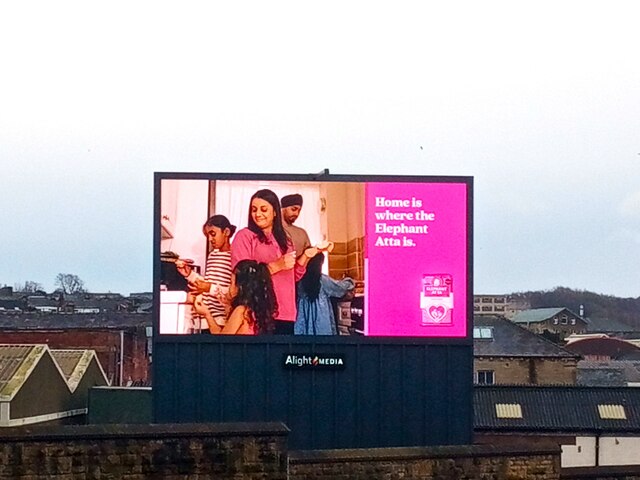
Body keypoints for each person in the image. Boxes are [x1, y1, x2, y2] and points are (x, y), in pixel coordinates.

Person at [231, 189, 317, 334]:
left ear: (275, 212)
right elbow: (243, 275)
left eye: (263, 209)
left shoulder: (285, 241)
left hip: (286, 312)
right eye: (254, 209)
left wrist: (306, 257)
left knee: (280, 355)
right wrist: (276, 266)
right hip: (256, 311)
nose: (258, 214)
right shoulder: (245, 236)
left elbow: (293, 276)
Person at [177, 215, 236, 333]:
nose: (209, 239)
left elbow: (233, 293)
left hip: (220, 320)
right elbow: (207, 283)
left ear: (226, 232)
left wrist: (209, 288)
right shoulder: (213, 255)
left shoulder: (234, 256)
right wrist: (190, 275)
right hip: (203, 318)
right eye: (207, 235)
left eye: (213, 234)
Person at [197, 260, 276, 335]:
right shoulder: (255, 311)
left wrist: (207, 314)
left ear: (240, 287)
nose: (229, 287)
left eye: (231, 283)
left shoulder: (241, 311)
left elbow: (221, 340)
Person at [294, 252, 355, 335]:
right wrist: (350, 281)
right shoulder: (322, 280)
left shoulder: (299, 280)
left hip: (302, 319)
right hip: (321, 318)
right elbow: (340, 288)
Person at [280, 193, 311, 257]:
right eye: (293, 209)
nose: (296, 214)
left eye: (299, 211)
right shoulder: (270, 229)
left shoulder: (302, 233)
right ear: (283, 208)